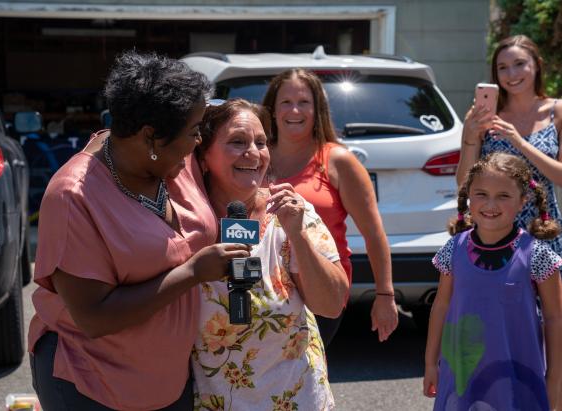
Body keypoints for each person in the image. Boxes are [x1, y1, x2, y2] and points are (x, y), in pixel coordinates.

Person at [28, 51, 251, 410]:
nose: (198, 142)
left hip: (171, 378)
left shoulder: (174, 160)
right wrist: (193, 272)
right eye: (194, 132)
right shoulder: (73, 198)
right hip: (94, 384)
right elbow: (94, 317)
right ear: (150, 137)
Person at [191, 98, 348, 410]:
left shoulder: (290, 213)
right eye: (238, 141)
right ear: (203, 157)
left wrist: (297, 234)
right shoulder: (184, 223)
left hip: (297, 398)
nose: (254, 152)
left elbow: (331, 304)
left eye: (261, 142)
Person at [261, 69, 398, 346]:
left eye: (304, 102)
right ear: (273, 110)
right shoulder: (257, 155)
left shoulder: (337, 160)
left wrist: (385, 296)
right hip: (265, 285)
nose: (295, 110)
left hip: (320, 287)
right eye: (285, 102)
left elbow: (373, 234)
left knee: (305, 373)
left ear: (318, 109)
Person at [424, 152, 562, 410]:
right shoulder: (453, 249)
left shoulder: (537, 255)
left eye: (504, 196)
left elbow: (556, 318)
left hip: (519, 377)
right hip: (461, 376)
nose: (490, 204)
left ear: (523, 201)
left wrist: (555, 378)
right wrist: (431, 363)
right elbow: (440, 306)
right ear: (468, 197)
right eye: (481, 194)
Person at [456, 34, 562, 256]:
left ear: (537, 65)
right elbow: (463, 183)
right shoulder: (482, 116)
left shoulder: (557, 112)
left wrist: (519, 142)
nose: (511, 74)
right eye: (502, 67)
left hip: (542, 229)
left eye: (519, 64)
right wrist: (471, 137)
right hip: (492, 232)